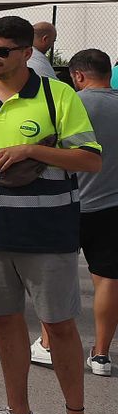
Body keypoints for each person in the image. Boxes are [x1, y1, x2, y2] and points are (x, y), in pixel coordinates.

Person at [0, 16, 103, 414]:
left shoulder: (59, 95)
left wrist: (32, 150)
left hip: (48, 231)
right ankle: (19, 412)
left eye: (1, 50)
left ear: (26, 53)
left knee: (58, 325)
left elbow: (90, 160)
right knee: (4, 321)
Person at [69, 49, 118, 377]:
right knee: (108, 279)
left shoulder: (72, 104)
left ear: (78, 75)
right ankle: (101, 354)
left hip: (68, 202)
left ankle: (48, 342)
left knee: (57, 277)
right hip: (111, 206)